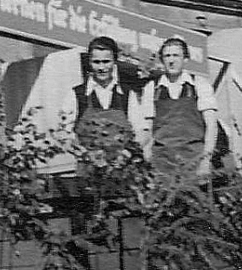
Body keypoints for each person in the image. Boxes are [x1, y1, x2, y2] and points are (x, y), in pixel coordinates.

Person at [141, 37, 218, 179]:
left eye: (176, 55)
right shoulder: (152, 88)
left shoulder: (199, 85)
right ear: (162, 60)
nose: (171, 60)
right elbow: (147, 129)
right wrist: (147, 156)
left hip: (194, 159)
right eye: (167, 56)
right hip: (162, 162)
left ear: (186, 59)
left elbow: (211, 126)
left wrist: (206, 159)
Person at [60, 36, 145, 147]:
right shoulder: (77, 94)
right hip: (86, 161)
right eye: (96, 62)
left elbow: (141, 132)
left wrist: (129, 153)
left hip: (122, 161)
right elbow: (64, 131)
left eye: (106, 62)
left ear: (114, 61)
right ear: (89, 62)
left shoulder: (128, 95)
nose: (101, 67)